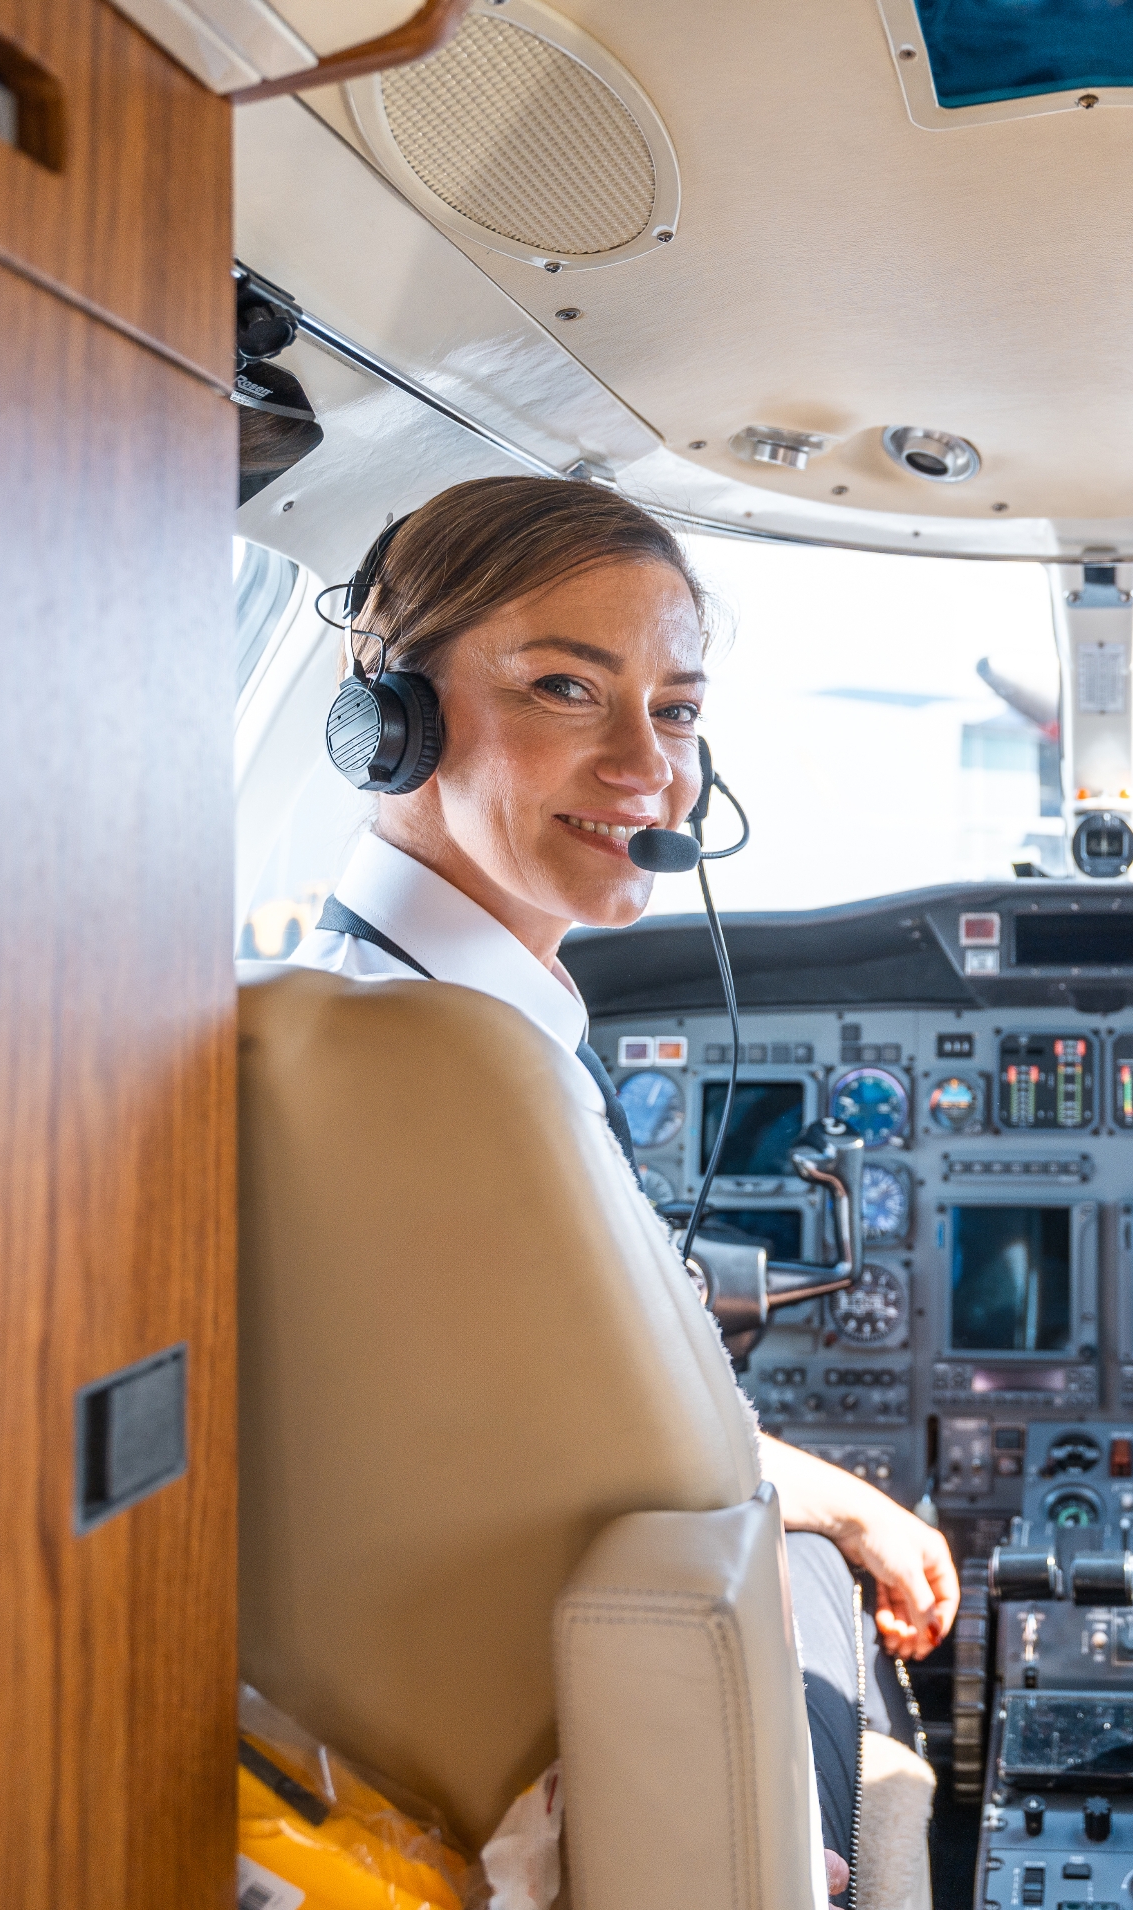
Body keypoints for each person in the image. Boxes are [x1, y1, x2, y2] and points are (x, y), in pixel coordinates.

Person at [279, 476, 958, 1902]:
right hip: (543, 1755)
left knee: (819, 1549)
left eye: (678, 707)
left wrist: (810, 1485)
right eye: (567, 689)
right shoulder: (436, 1077)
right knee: (822, 1600)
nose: (649, 769)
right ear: (385, 715)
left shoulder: (427, 1019)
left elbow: (519, 1430)